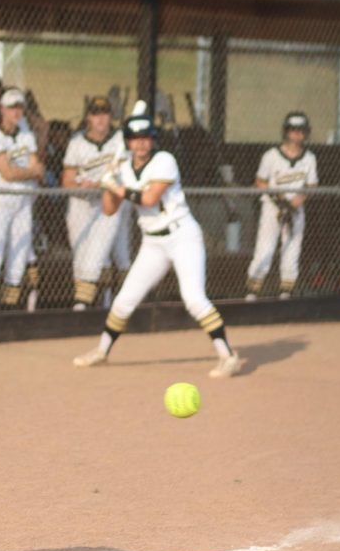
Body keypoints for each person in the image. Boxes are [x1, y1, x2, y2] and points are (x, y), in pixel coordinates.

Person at [73, 106, 240, 378]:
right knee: (124, 300)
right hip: (153, 242)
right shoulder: (124, 169)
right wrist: (109, 180)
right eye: (136, 138)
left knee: (194, 299)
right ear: (128, 142)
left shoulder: (164, 160)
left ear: (152, 140)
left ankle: (228, 356)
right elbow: (109, 209)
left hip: (182, 235)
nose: (141, 143)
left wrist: (116, 186)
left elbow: (149, 198)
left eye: (146, 138)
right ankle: (101, 351)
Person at [0, 87, 44, 311]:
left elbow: (38, 167)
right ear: (2, 109)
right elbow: (8, 173)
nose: (16, 112)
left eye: (20, 107)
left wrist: (26, 171)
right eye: (12, 107)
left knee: (18, 260)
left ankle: (8, 312)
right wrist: (29, 172)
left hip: (22, 202)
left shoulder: (25, 132)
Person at [62, 96, 130, 310]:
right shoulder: (77, 143)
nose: (100, 119)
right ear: (88, 118)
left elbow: (126, 173)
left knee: (110, 253)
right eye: (95, 114)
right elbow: (67, 180)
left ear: (111, 117)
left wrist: (105, 184)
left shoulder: (120, 140)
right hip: (82, 204)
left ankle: (91, 305)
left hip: (111, 202)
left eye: (104, 114)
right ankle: (98, 303)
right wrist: (83, 186)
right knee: (81, 256)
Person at [246, 111, 318, 301]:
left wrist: (297, 201)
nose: (297, 135)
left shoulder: (309, 158)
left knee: (292, 248)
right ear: (286, 132)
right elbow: (260, 181)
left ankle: (286, 291)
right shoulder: (271, 156)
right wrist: (280, 200)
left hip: (295, 208)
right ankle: (253, 291)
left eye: (301, 131)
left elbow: (311, 185)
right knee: (265, 247)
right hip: (273, 207)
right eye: (293, 130)